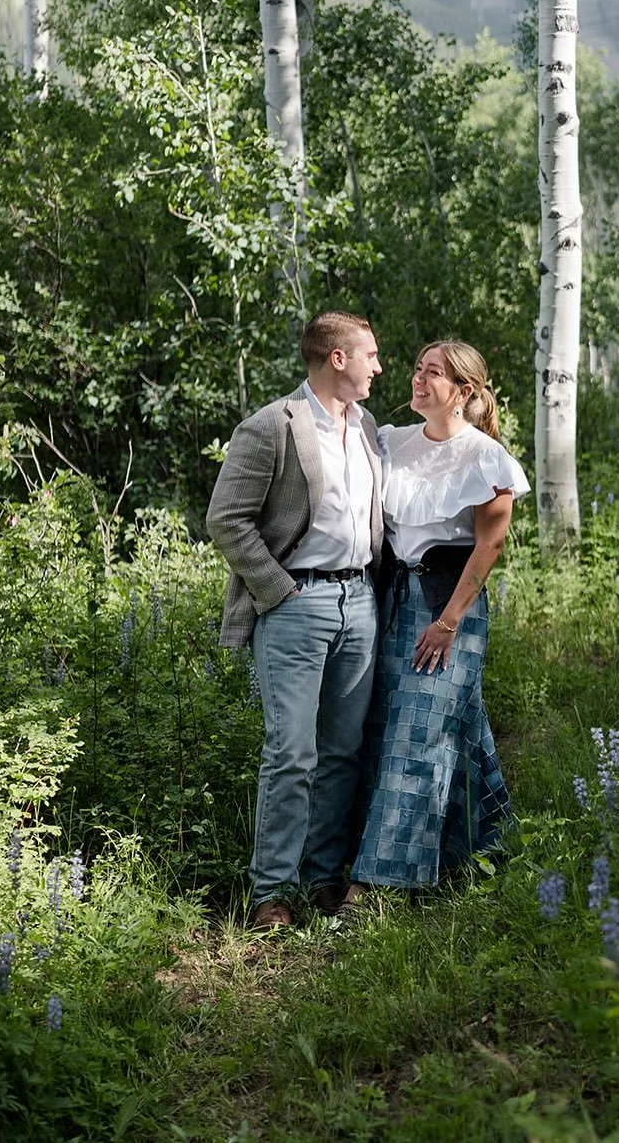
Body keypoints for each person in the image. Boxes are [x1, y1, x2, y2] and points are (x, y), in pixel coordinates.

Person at [206, 311, 383, 930]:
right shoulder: (270, 427)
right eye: (369, 356)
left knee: (341, 752)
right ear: (338, 359)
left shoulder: (369, 430)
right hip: (295, 606)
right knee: (291, 753)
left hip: (360, 601)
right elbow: (226, 518)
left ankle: (324, 878)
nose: (378, 368)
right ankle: (271, 894)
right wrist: (278, 591)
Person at [347, 340, 528, 899]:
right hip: (396, 596)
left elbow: (490, 545)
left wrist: (448, 622)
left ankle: (375, 886)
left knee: (418, 735)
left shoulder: (485, 457)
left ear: (464, 392)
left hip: (452, 606)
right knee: (416, 726)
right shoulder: (391, 442)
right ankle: (484, 848)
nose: (419, 380)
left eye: (435, 374)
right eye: (418, 369)